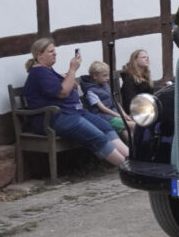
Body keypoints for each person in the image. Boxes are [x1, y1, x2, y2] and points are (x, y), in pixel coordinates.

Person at [23, 38, 129, 167]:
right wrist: (72, 69)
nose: (55, 53)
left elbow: (63, 86)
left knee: (105, 127)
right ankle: (127, 167)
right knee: (97, 136)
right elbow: (63, 92)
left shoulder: (47, 70)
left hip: (74, 112)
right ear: (39, 55)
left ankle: (133, 160)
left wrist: (67, 77)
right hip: (56, 118)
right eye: (51, 51)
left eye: (54, 51)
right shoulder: (39, 72)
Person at [80, 61, 133, 134]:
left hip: (114, 114)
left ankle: (133, 145)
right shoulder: (90, 92)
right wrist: (120, 116)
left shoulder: (105, 85)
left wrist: (124, 114)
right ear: (95, 76)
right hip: (105, 118)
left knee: (126, 131)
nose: (108, 78)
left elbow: (115, 101)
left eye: (108, 75)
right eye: (105, 76)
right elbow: (103, 108)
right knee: (133, 125)